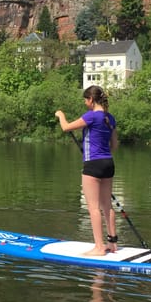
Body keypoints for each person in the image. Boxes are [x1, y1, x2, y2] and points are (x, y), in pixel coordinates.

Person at [55, 86, 118, 255]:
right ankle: (112, 244)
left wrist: (60, 115)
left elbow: (66, 127)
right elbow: (115, 145)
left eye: (85, 100)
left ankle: (99, 247)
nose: (85, 103)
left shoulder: (91, 116)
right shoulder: (110, 118)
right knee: (107, 206)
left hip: (93, 164)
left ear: (91, 100)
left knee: (93, 208)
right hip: (108, 163)